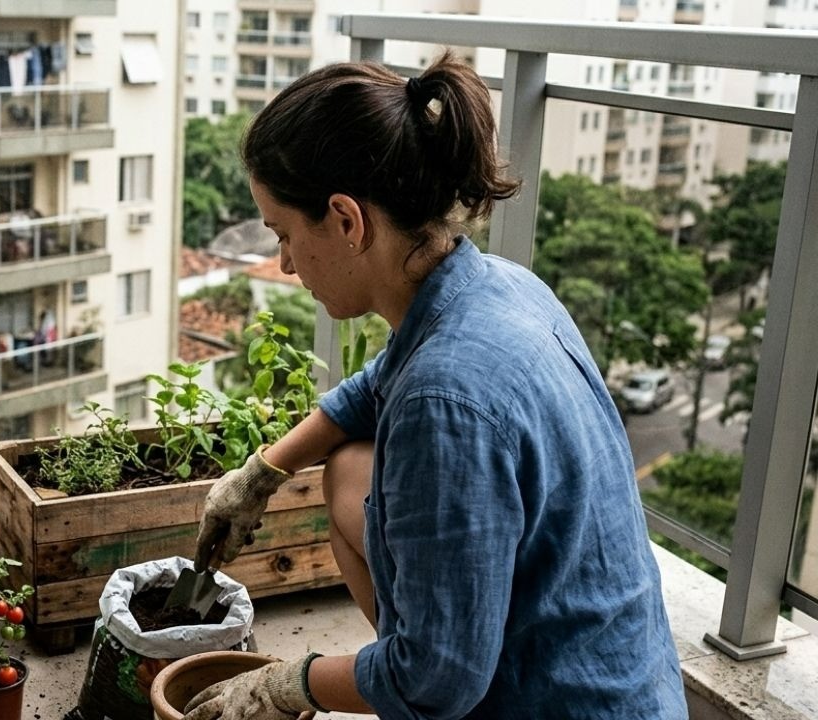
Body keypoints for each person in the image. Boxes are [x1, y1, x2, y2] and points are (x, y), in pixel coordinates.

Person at [186, 54, 687, 720]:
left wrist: (290, 683)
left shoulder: (442, 403)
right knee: (349, 467)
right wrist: (262, 472)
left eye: (284, 234)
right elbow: (373, 387)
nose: (284, 263)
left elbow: (438, 679)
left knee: (427, 675)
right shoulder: (501, 287)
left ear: (346, 220)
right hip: (634, 683)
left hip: (560, 702)